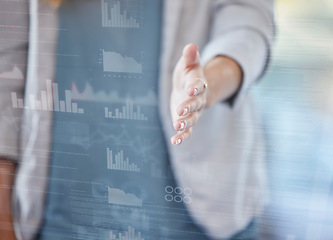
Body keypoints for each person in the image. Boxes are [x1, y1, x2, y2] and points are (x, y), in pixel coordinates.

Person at [0, 0, 274, 239]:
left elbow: (247, 22)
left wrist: (205, 84)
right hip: (61, 207)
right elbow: (8, 62)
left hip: (197, 212)